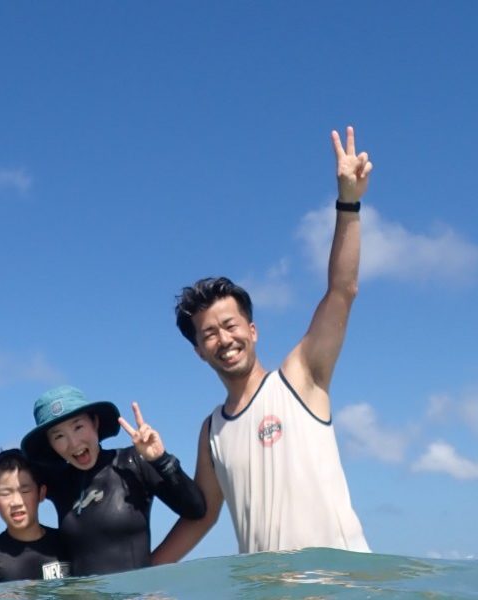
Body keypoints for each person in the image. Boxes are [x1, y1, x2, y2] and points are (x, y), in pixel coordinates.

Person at [153, 126, 373, 561]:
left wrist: (348, 202)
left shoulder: (301, 377)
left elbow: (342, 290)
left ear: (252, 330)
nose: (224, 339)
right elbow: (203, 516)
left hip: (341, 584)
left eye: (230, 325)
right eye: (209, 333)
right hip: (264, 589)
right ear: (198, 351)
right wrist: (136, 578)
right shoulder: (212, 430)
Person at [0, 385, 206, 576]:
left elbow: (195, 509)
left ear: (95, 422)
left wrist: (160, 459)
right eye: (59, 436)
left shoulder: (133, 462)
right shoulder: (59, 480)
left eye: (78, 427)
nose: (73, 443)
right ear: (50, 444)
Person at [0, 449, 70, 587]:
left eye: (25, 491)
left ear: (41, 493)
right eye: (5, 494)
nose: (16, 502)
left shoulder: (67, 542)